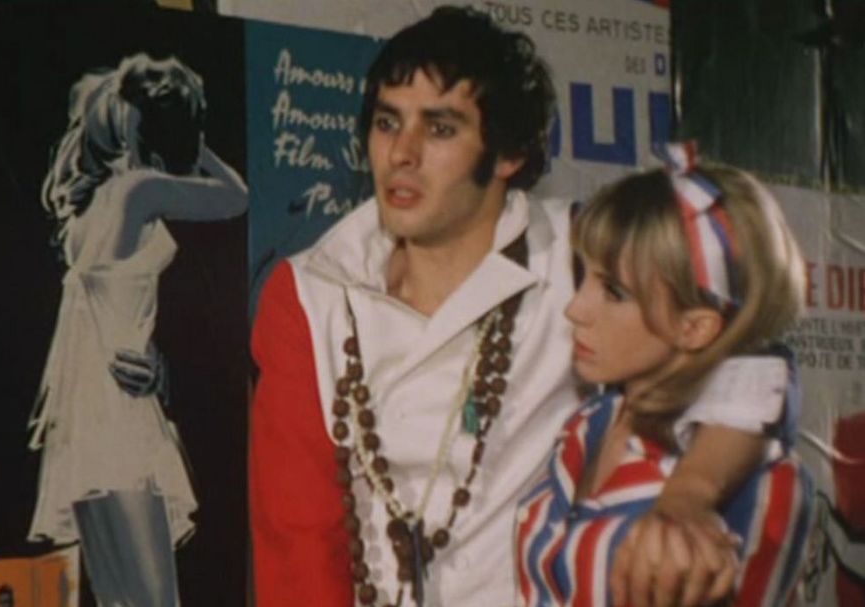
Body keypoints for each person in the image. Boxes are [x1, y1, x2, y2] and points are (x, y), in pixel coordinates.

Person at [250, 7, 785, 607]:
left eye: (440, 128)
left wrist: (690, 496)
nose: (401, 153)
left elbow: (747, 364)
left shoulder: (581, 256)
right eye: (387, 121)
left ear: (507, 154)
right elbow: (297, 542)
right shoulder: (310, 292)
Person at [515, 147, 814, 606]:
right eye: (583, 275)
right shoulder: (591, 422)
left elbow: (768, 374)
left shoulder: (762, 484)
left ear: (695, 327)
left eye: (614, 292)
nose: (575, 308)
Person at [27, 52, 247, 606]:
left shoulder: (87, 213)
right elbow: (236, 197)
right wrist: (198, 147)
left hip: (86, 424)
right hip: (121, 418)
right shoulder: (139, 191)